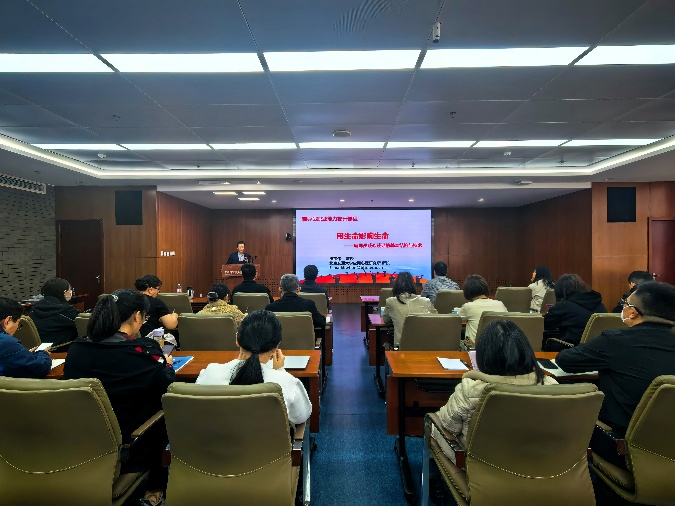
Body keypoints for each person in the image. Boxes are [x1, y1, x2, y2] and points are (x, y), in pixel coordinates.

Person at [63, 289, 175, 506]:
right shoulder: (142, 351)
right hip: (132, 442)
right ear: (137, 316)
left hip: (81, 440)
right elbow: (166, 384)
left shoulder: (77, 348)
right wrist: (167, 364)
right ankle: (155, 488)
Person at [557, 281, 675, 468]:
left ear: (633, 312)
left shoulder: (615, 341)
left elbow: (566, 360)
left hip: (623, 448)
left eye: (625, 304)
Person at [433, 320, 557, 463]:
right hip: (538, 463)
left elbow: (449, 425)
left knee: (433, 425)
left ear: (483, 356)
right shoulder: (551, 386)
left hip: (482, 465)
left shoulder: (470, 390)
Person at [196, 310, 312, 425]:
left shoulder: (209, 372)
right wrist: (280, 371)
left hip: (215, 436)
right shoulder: (285, 382)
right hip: (267, 438)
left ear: (237, 340)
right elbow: (301, 416)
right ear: (275, 348)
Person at [543, 274, 606, 350]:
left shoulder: (564, 305)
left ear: (560, 291)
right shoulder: (599, 304)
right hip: (600, 349)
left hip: (573, 349)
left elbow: (544, 324)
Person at [0, 297, 52, 378]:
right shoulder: (6, 342)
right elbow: (39, 368)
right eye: (18, 323)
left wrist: (22, 354)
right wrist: (43, 353)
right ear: (7, 321)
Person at [383, 271, 437, 347]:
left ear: (396, 286)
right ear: (413, 285)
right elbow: (436, 318)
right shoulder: (426, 301)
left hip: (401, 346)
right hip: (424, 345)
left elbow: (386, 320)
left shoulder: (391, 301)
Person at [30, 277, 81, 351]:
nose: (71, 292)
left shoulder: (35, 309)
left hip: (38, 349)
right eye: (70, 289)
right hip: (60, 349)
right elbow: (84, 322)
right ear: (65, 293)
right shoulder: (66, 311)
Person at [456, 274, 507, 347]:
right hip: (499, 348)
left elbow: (453, 319)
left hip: (475, 348)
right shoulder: (500, 304)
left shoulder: (468, 307)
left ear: (467, 292)